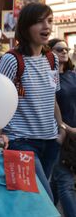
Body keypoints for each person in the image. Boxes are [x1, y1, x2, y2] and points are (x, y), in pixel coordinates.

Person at [0, 3, 64, 201]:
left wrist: (60, 130)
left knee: (29, 203)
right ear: (26, 27)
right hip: (21, 142)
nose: (47, 27)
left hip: (51, 142)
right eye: (39, 21)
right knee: (44, 200)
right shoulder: (12, 60)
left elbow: (52, 98)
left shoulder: (52, 59)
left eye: (49, 21)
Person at [48, 38, 76, 216]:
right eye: (59, 49)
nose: (64, 52)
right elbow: (48, 106)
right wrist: (65, 128)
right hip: (59, 134)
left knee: (56, 183)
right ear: (49, 52)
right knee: (65, 182)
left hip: (75, 136)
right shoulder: (49, 77)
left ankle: (44, 210)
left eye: (66, 49)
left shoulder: (73, 75)